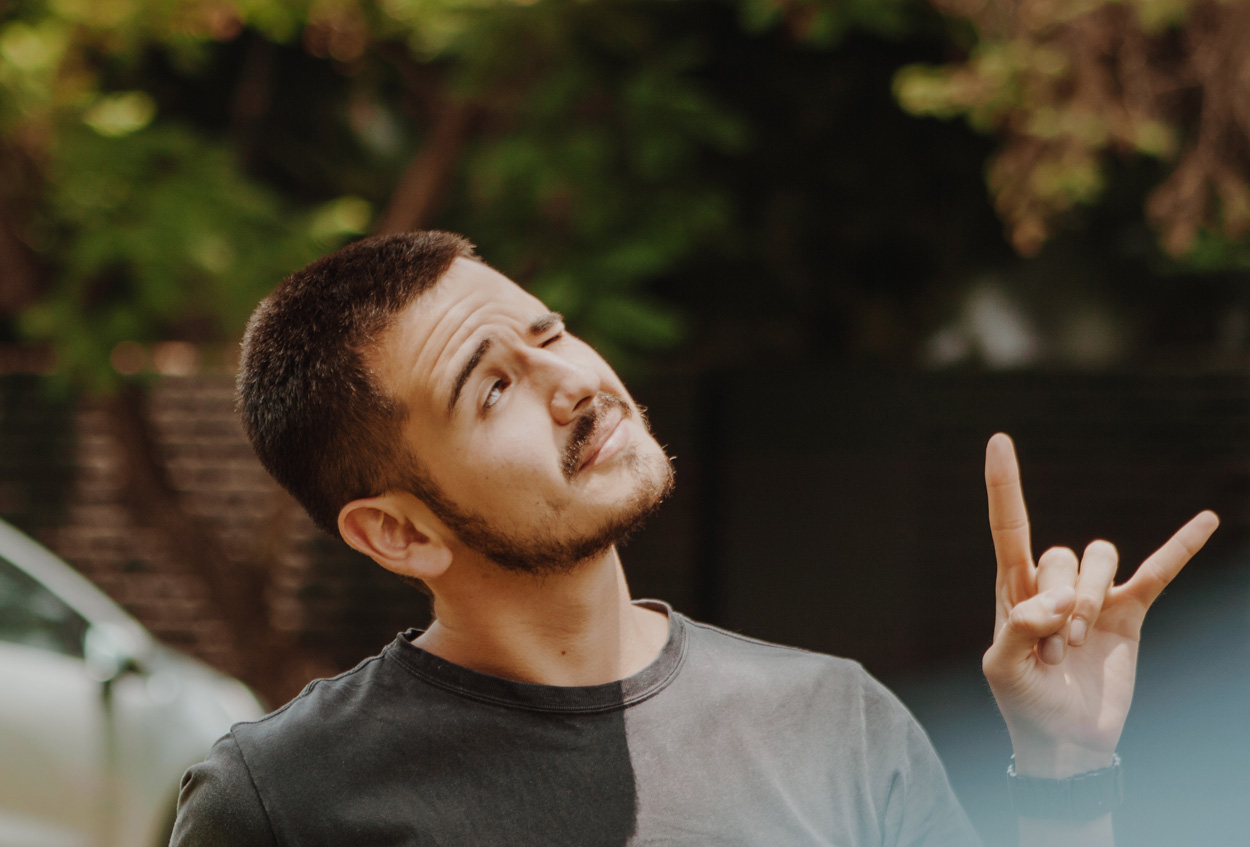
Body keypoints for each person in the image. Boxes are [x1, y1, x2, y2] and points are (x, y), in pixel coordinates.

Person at [172, 231, 1218, 847]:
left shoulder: (835, 721)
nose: (574, 381)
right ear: (398, 530)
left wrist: (1062, 770)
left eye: (548, 335)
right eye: (492, 387)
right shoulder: (280, 803)